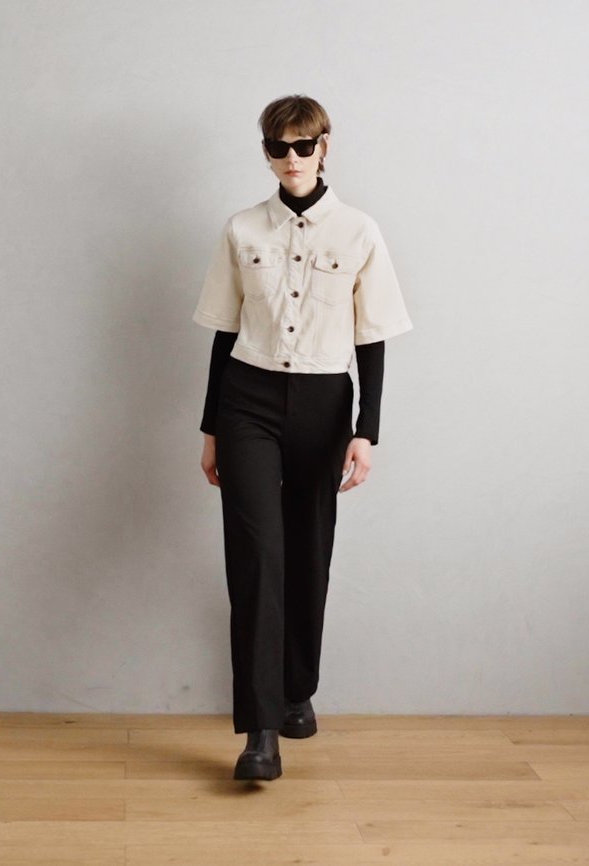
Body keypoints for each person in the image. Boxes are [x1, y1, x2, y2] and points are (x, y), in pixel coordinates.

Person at [192, 94, 413, 781]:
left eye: (303, 146)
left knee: (309, 552)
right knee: (256, 555)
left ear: (324, 147)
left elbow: (372, 338)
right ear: (265, 152)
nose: (292, 158)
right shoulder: (241, 229)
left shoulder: (359, 231)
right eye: (278, 147)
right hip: (247, 403)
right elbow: (225, 333)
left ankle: (297, 691)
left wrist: (366, 431)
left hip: (323, 404)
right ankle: (261, 733)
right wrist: (210, 428)